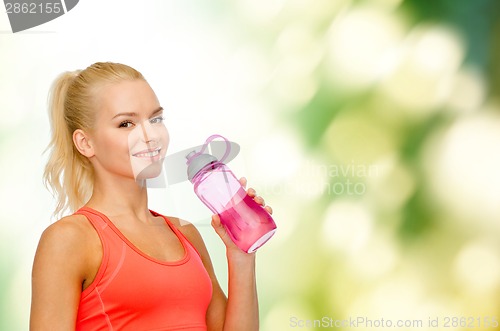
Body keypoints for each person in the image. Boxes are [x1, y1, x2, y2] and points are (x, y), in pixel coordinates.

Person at [30, 62, 272, 330]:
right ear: (85, 143)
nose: (150, 135)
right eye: (126, 123)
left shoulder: (186, 234)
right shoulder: (69, 239)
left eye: (155, 119)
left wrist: (241, 256)